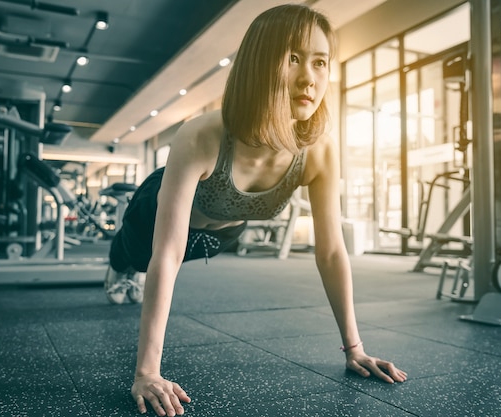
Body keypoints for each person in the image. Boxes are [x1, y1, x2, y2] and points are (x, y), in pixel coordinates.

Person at [105, 4, 408, 416]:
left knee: (176, 257)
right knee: (133, 257)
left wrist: (355, 349)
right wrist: (147, 372)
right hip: (154, 210)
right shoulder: (202, 136)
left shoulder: (317, 152)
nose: (309, 78)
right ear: (260, 64)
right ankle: (117, 265)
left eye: (321, 62)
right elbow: (169, 252)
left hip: (220, 234)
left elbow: (332, 252)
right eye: (294, 59)